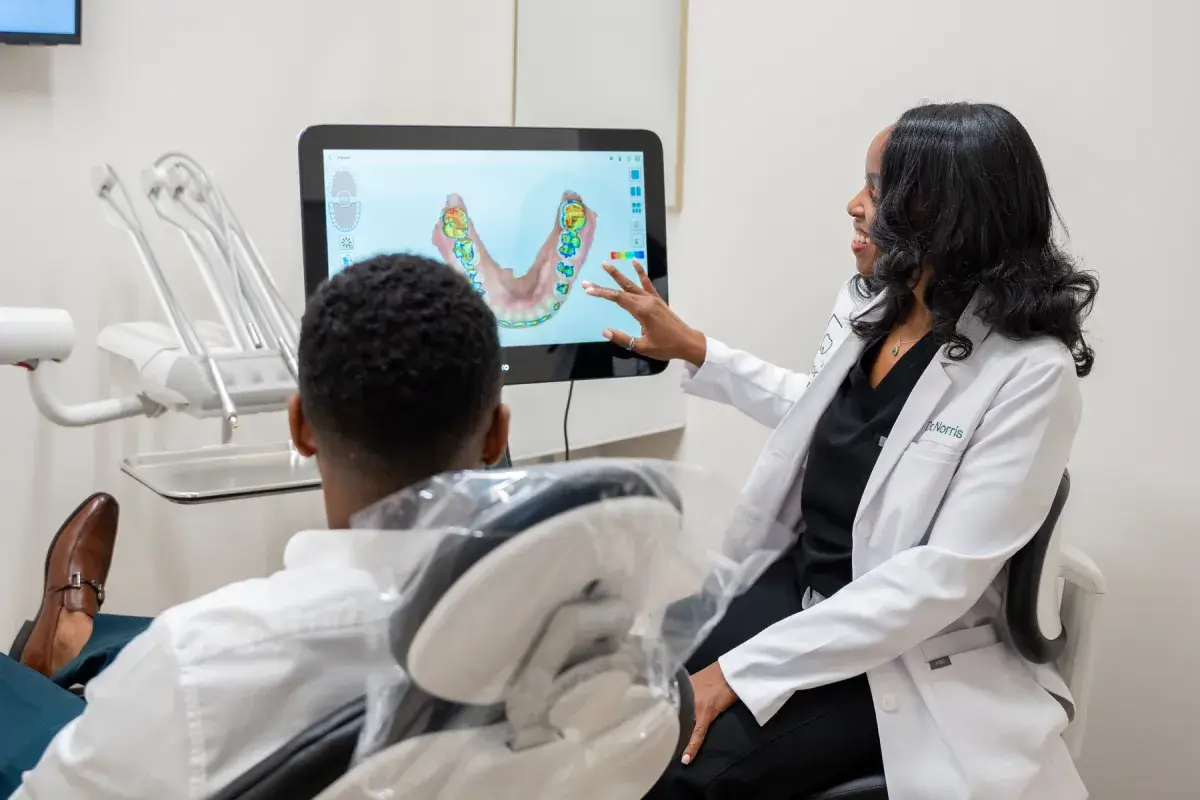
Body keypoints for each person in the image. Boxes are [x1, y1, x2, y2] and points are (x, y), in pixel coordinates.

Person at [585, 102, 1100, 798]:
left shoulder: (1031, 373)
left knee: (675, 772)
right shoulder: (875, 307)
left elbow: (938, 580)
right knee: (621, 711)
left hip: (892, 650)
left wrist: (740, 670)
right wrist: (697, 348)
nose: (855, 205)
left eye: (878, 189)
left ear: (947, 213)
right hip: (796, 587)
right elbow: (825, 416)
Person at [1, 253, 511, 798]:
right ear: (495, 436)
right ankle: (72, 639)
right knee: (147, 651)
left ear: (300, 426)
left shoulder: (194, 661)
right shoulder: (567, 636)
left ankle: (63, 647)